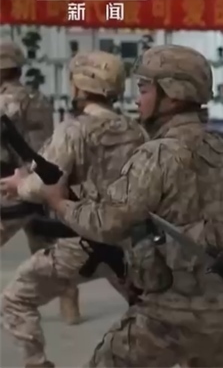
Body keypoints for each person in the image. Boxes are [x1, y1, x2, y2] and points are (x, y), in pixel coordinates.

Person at [32, 45, 223, 367]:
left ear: (173, 96)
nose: (138, 100)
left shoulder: (160, 153)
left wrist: (58, 202)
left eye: (144, 89)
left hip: (177, 311)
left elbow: (107, 224)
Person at [0, 51, 147, 368]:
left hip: (82, 244)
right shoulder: (135, 130)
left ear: (79, 86)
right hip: (129, 246)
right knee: (153, 310)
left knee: (15, 299)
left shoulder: (73, 130)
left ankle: (37, 364)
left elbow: (45, 183)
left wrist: (19, 185)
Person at [0, 41, 78, 325]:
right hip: (41, 181)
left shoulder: (5, 101)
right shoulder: (37, 98)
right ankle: (70, 306)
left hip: (10, 184)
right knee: (47, 250)